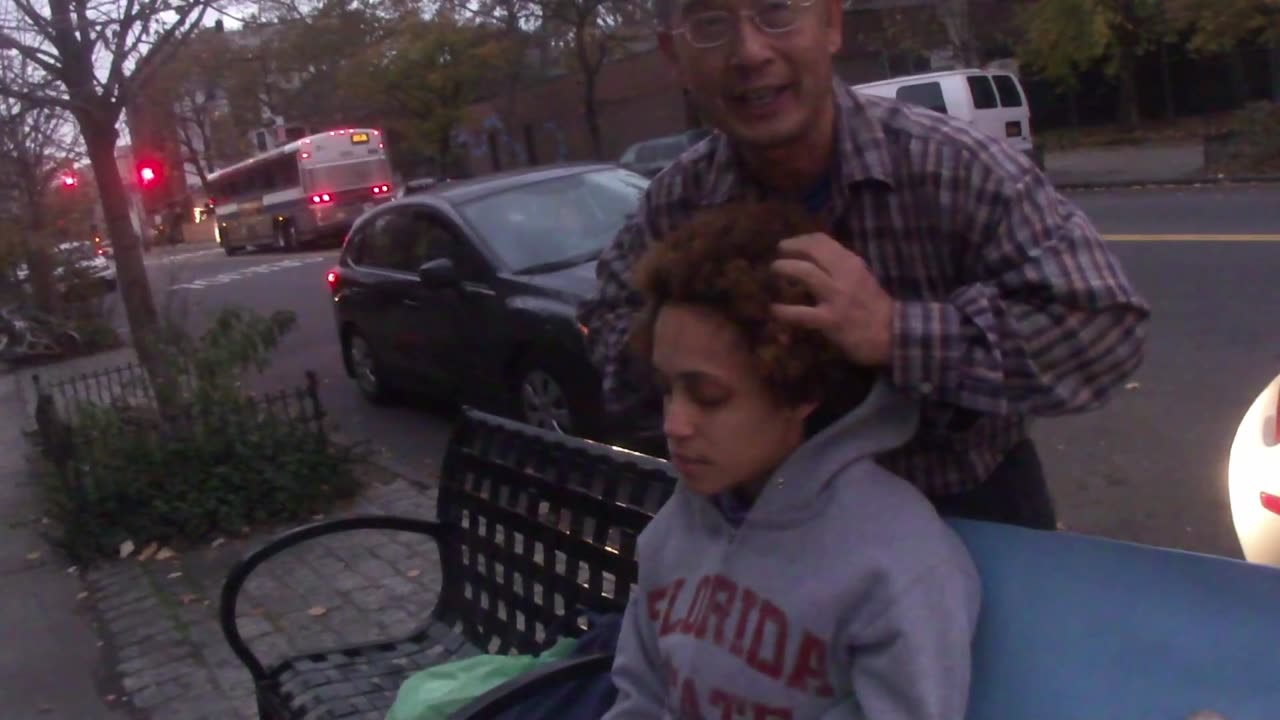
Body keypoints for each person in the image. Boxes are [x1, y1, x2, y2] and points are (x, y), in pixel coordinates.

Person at [578, 0, 1151, 531]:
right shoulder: (675, 203)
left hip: (968, 518)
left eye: (776, 11)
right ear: (675, 57)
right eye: (710, 24)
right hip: (768, 528)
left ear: (830, 23)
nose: (750, 52)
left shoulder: (954, 167)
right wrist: (702, 364)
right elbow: (608, 330)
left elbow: (1103, 329)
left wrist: (895, 332)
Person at [603, 200, 980, 719]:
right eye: (667, 390)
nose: (675, 424)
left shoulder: (898, 567)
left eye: (709, 396)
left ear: (800, 390)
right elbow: (639, 699)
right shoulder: (676, 528)